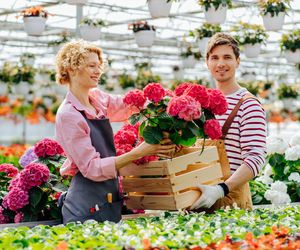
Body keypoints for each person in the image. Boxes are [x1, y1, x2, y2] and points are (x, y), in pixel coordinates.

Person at [54, 40, 176, 224]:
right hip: (84, 207)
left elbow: (127, 105)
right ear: (71, 69)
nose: (98, 71)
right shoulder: (69, 114)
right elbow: (92, 168)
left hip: (108, 199)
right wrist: (139, 152)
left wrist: (165, 103)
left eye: (98, 66)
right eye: (91, 66)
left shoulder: (96, 99)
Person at [191, 33, 267, 211]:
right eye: (215, 58)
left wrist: (220, 189)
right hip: (197, 198)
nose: (221, 64)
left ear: (237, 62)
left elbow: (256, 157)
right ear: (207, 62)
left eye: (227, 57)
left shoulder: (248, 104)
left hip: (230, 201)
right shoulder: (200, 105)